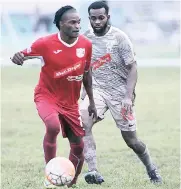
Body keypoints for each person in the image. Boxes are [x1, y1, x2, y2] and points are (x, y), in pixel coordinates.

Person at [10, 5, 97, 188]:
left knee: (79, 148)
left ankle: (69, 182)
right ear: (60, 24)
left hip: (71, 103)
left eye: (79, 22)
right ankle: (50, 176)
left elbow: (87, 75)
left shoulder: (86, 45)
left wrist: (92, 102)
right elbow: (21, 55)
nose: (77, 26)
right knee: (52, 126)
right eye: (72, 22)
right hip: (46, 96)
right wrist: (17, 57)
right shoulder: (45, 43)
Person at [80, 1, 162, 185]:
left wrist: (127, 96)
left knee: (132, 141)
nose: (97, 22)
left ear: (108, 17)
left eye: (101, 18)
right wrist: (85, 90)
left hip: (120, 93)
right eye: (93, 18)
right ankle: (93, 171)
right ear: (89, 19)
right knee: (82, 121)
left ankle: (151, 168)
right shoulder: (85, 39)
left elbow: (133, 67)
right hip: (98, 90)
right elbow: (86, 67)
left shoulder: (120, 38)